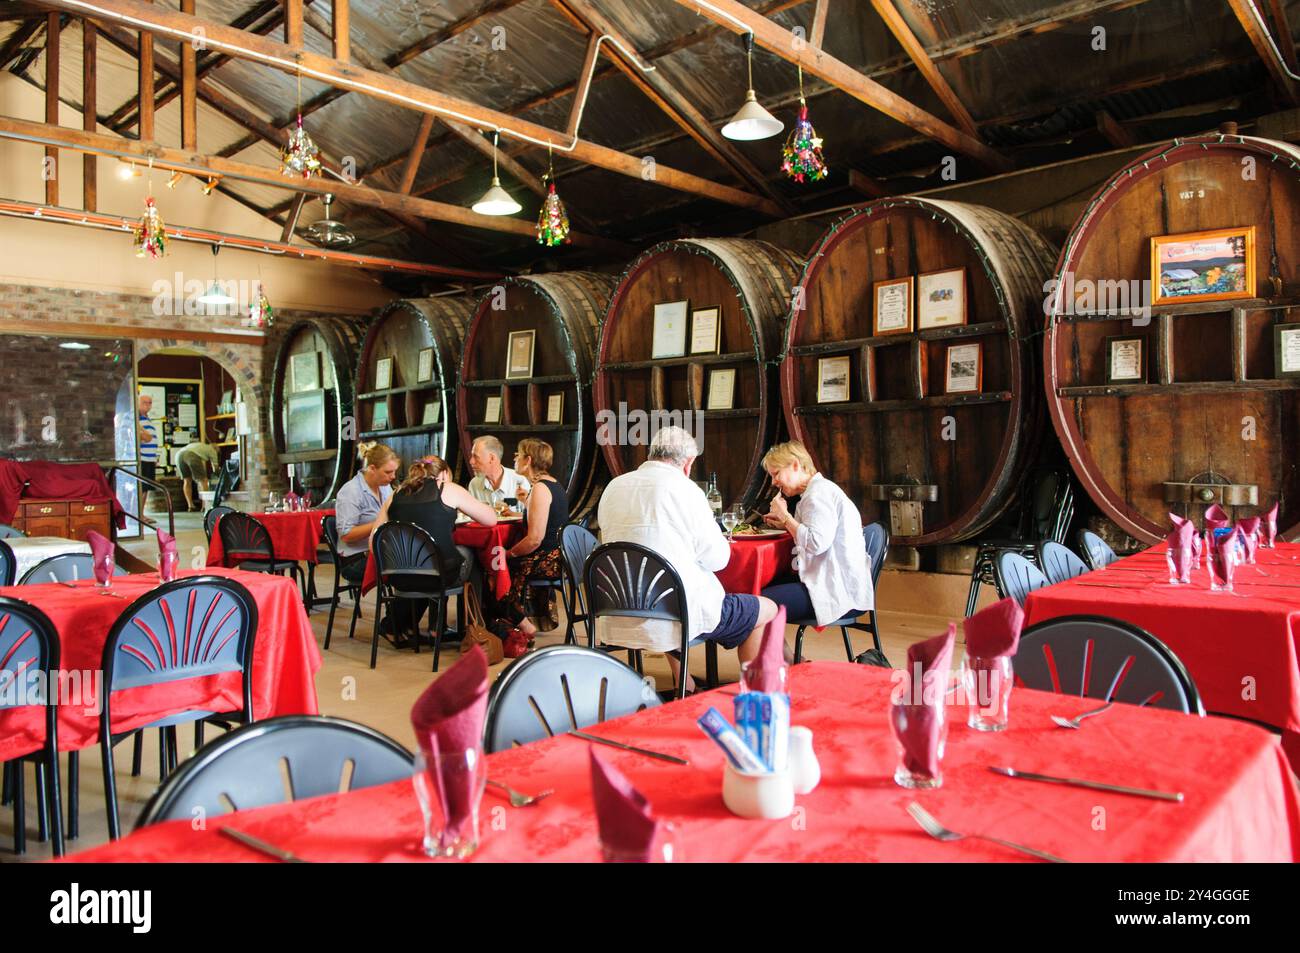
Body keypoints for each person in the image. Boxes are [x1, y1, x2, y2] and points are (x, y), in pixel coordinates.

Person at [596, 426, 778, 694]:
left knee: (665, 587)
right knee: (765, 610)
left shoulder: (614, 486)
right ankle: (755, 694)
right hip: (674, 612)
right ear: (688, 462)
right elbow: (718, 559)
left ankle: (686, 684)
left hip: (617, 607)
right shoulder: (685, 489)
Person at [371, 455, 497, 640]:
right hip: (439, 578)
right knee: (469, 555)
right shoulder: (448, 489)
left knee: (428, 558)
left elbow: (373, 540)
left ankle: (405, 625)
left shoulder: (395, 495)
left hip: (399, 578)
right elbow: (491, 519)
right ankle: (475, 629)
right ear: (444, 474)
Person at [758, 441, 872, 632]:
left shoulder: (818, 494)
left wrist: (786, 518)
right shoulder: (817, 490)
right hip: (841, 585)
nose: (773, 482)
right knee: (760, 592)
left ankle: (781, 660)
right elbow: (816, 533)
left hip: (834, 591)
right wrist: (783, 523)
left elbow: (816, 543)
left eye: (776, 474)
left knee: (754, 604)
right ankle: (785, 659)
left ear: (795, 464)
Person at [489, 438, 567, 649]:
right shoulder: (551, 484)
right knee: (497, 563)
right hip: (555, 556)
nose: (514, 459)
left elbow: (534, 540)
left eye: (518, 455)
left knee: (493, 566)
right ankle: (513, 621)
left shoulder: (541, 489)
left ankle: (519, 623)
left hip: (546, 560)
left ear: (528, 460)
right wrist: (524, 504)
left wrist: (509, 553)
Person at [467, 435, 530, 510]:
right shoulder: (474, 484)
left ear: (492, 458)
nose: (471, 461)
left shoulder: (520, 480)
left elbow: (528, 516)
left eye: (476, 457)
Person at [176, 440, 219, 512]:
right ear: (216, 448)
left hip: (179, 455)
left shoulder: (201, 445)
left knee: (187, 481)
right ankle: (205, 506)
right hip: (191, 455)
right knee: (203, 481)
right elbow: (215, 467)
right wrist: (218, 475)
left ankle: (190, 506)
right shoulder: (212, 450)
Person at [137, 393, 158, 513]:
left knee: (146, 489)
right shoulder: (137, 419)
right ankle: (139, 515)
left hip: (150, 459)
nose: (148, 405)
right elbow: (145, 438)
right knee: (142, 488)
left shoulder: (147, 419)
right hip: (143, 459)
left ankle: (141, 514)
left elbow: (150, 438)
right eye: (145, 402)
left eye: (150, 402)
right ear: (138, 403)